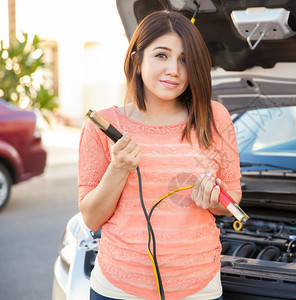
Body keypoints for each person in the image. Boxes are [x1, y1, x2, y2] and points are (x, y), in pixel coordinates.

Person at [78, 10, 242, 300]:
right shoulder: (103, 127)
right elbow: (91, 219)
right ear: (137, 61)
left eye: (184, 59)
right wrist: (118, 168)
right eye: (162, 56)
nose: (174, 70)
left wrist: (215, 201)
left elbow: (232, 200)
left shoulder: (215, 117)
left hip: (198, 286)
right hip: (118, 287)